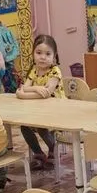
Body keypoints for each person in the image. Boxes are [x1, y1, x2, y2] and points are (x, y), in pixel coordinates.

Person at [17, 34, 65, 171]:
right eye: (39, 53)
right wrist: (36, 88)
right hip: (39, 110)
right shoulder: (34, 70)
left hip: (57, 111)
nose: (43, 57)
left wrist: (23, 95)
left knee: (41, 128)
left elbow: (47, 94)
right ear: (33, 54)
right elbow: (24, 88)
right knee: (24, 127)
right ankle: (38, 153)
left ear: (54, 56)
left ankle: (53, 149)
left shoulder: (55, 71)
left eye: (47, 54)